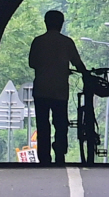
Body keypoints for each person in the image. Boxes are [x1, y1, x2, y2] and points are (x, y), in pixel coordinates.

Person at [28, 9, 87, 166]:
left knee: (42, 124)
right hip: (60, 90)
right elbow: (77, 63)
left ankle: (44, 156)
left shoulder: (38, 41)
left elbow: (32, 63)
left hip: (41, 89)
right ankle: (59, 151)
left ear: (46, 23)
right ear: (61, 24)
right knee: (60, 123)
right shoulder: (67, 42)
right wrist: (85, 74)